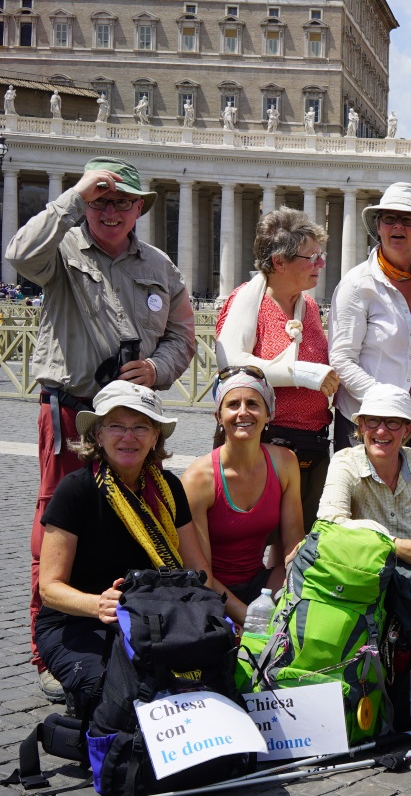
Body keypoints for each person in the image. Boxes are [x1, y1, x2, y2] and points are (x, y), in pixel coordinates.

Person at [7, 156, 195, 701]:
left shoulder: (160, 265)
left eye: (122, 201)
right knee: (55, 524)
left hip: (135, 417)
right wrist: (70, 197)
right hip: (73, 408)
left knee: (140, 516)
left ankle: (133, 622)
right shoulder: (59, 251)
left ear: (140, 207)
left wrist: (157, 369)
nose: (111, 210)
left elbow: (182, 337)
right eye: (100, 199)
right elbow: (18, 255)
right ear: (86, 202)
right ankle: (51, 647)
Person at [34, 381, 207, 708]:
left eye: (141, 426)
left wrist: (226, 615)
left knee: (198, 679)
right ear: (98, 434)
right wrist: (98, 604)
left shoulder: (168, 488)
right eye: (116, 426)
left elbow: (197, 569)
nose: (129, 437)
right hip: (77, 622)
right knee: (117, 691)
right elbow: (50, 589)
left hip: (152, 617)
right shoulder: (76, 491)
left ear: (155, 436)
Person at [216, 207, 338, 530]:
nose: (321, 264)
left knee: (301, 544)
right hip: (265, 447)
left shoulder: (309, 306)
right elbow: (231, 364)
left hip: (312, 445)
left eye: (320, 255)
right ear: (280, 262)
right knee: (255, 538)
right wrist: (303, 374)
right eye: (311, 257)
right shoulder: (247, 301)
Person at [328, 182, 411, 456]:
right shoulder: (357, 284)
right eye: (389, 219)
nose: (397, 227)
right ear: (378, 226)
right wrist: (394, 406)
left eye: (407, 220)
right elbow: (342, 360)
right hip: (370, 414)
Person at [182, 369, 304, 626]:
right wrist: (250, 617)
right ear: (218, 416)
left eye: (252, 404)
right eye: (233, 404)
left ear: (268, 414)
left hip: (260, 584)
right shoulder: (198, 479)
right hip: (210, 593)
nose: (243, 412)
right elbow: (200, 575)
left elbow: (294, 546)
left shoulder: (285, 462)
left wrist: (287, 600)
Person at [317, 384, 411, 565]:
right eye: (373, 420)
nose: (381, 430)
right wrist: (395, 545)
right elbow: (330, 524)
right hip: (359, 571)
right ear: (362, 425)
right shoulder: (345, 463)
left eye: (392, 422)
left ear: (407, 429)